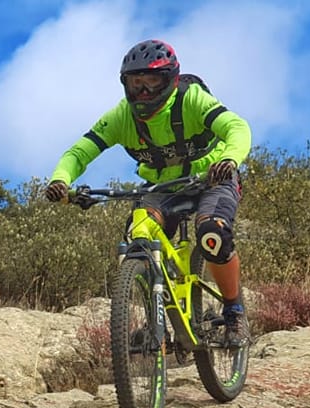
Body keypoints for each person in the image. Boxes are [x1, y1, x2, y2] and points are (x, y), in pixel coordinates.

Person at [45, 39, 254, 346]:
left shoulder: (191, 99)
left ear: (170, 80)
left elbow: (237, 127)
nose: (143, 91)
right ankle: (157, 318)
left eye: (152, 81)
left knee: (213, 235)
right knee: (138, 237)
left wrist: (229, 159)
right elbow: (79, 152)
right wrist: (61, 180)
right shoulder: (122, 116)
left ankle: (234, 312)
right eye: (135, 83)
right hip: (162, 188)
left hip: (212, 179)